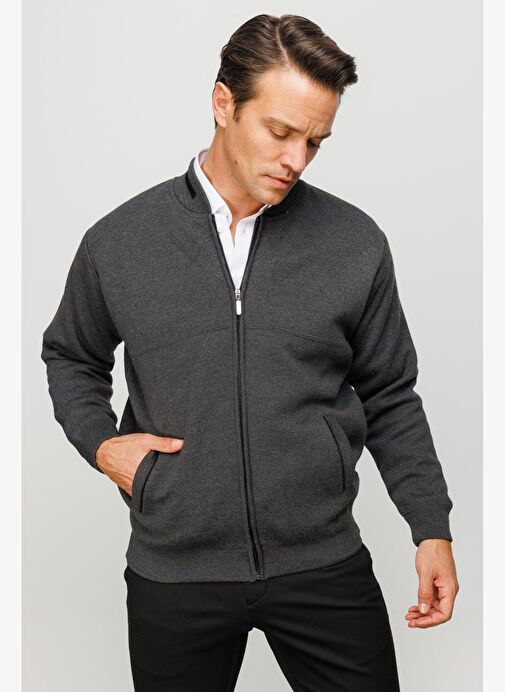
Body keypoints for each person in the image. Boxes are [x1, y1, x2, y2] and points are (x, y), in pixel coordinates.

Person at [40, 13, 459, 692]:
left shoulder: (353, 243)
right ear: (222, 103)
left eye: (315, 142)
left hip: (321, 561)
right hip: (175, 570)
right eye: (280, 132)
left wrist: (430, 526)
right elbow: (70, 354)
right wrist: (102, 444)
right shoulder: (120, 242)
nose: (297, 160)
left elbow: (389, 393)